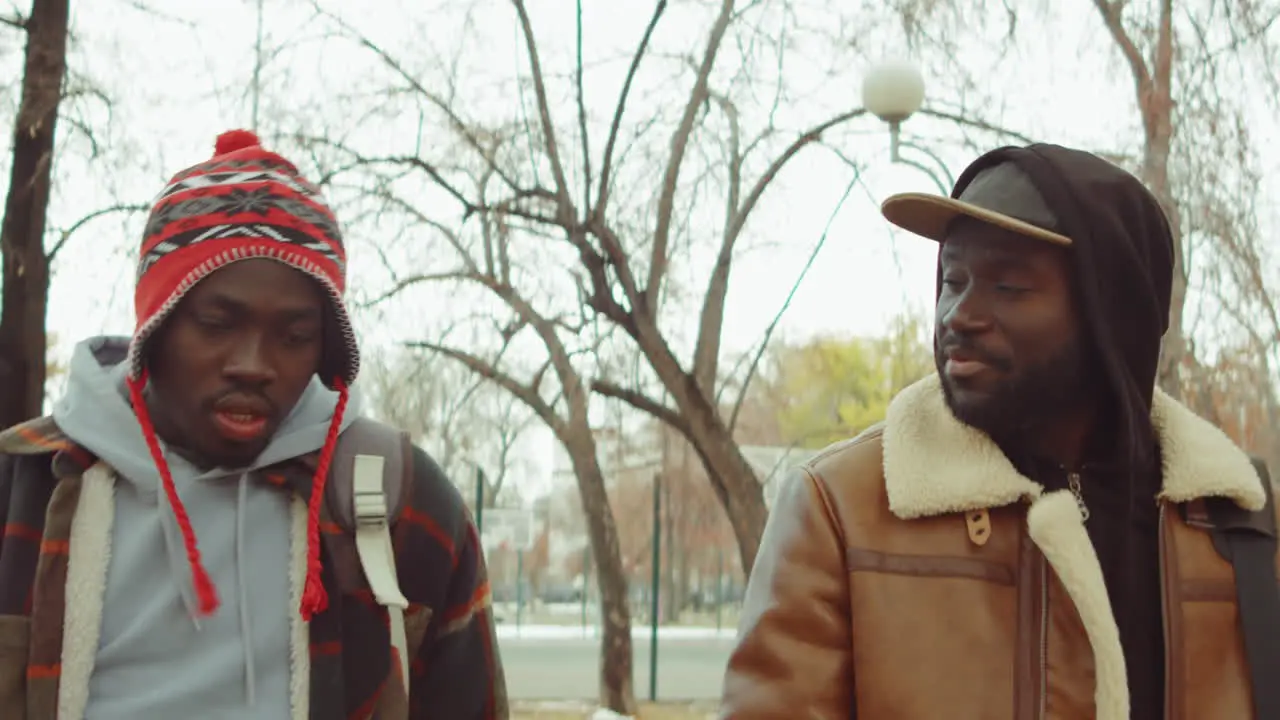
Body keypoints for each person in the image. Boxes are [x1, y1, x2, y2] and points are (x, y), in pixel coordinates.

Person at [719, 144, 1279, 719]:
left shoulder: (1239, 522)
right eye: (953, 279)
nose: (959, 314)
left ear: (1113, 317)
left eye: (1008, 288)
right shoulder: (840, 506)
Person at [0, 130, 507, 719]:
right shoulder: (22, 485)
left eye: (294, 337)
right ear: (155, 327)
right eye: (216, 324)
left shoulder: (402, 505)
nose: (254, 366)